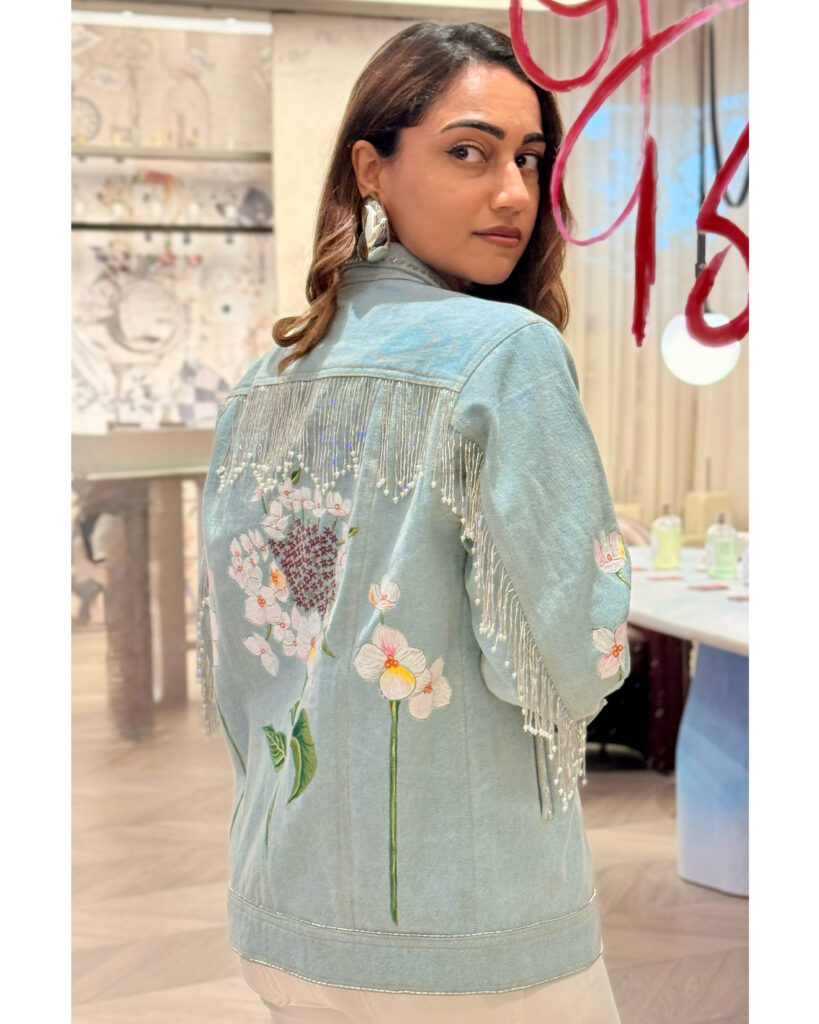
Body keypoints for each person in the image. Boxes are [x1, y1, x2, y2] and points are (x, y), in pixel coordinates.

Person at [197, 21, 631, 1023]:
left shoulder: (265, 381)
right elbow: (577, 652)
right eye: (469, 152)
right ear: (371, 167)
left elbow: (239, 664)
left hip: (282, 907)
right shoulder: (506, 353)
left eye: (529, 159)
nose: (513, 192)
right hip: (471, 933)